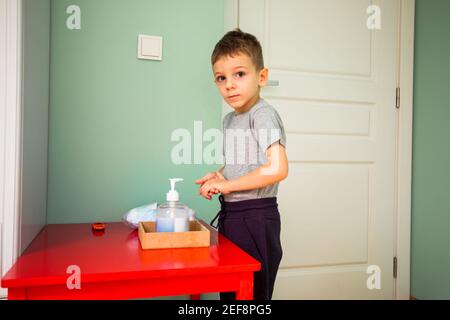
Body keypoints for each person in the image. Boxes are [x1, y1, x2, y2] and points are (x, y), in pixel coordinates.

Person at [195, 29, 288, 300]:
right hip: (232, 216)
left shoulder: (263, 115)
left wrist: (228, 185)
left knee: (252, 293)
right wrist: (219, 174)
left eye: (239, 74)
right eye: (221, 78)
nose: (229, 85)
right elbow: (240, 163)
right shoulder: (230, 119)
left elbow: (277, 169)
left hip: (256, 217)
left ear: (262, 77)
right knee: (232, 291)